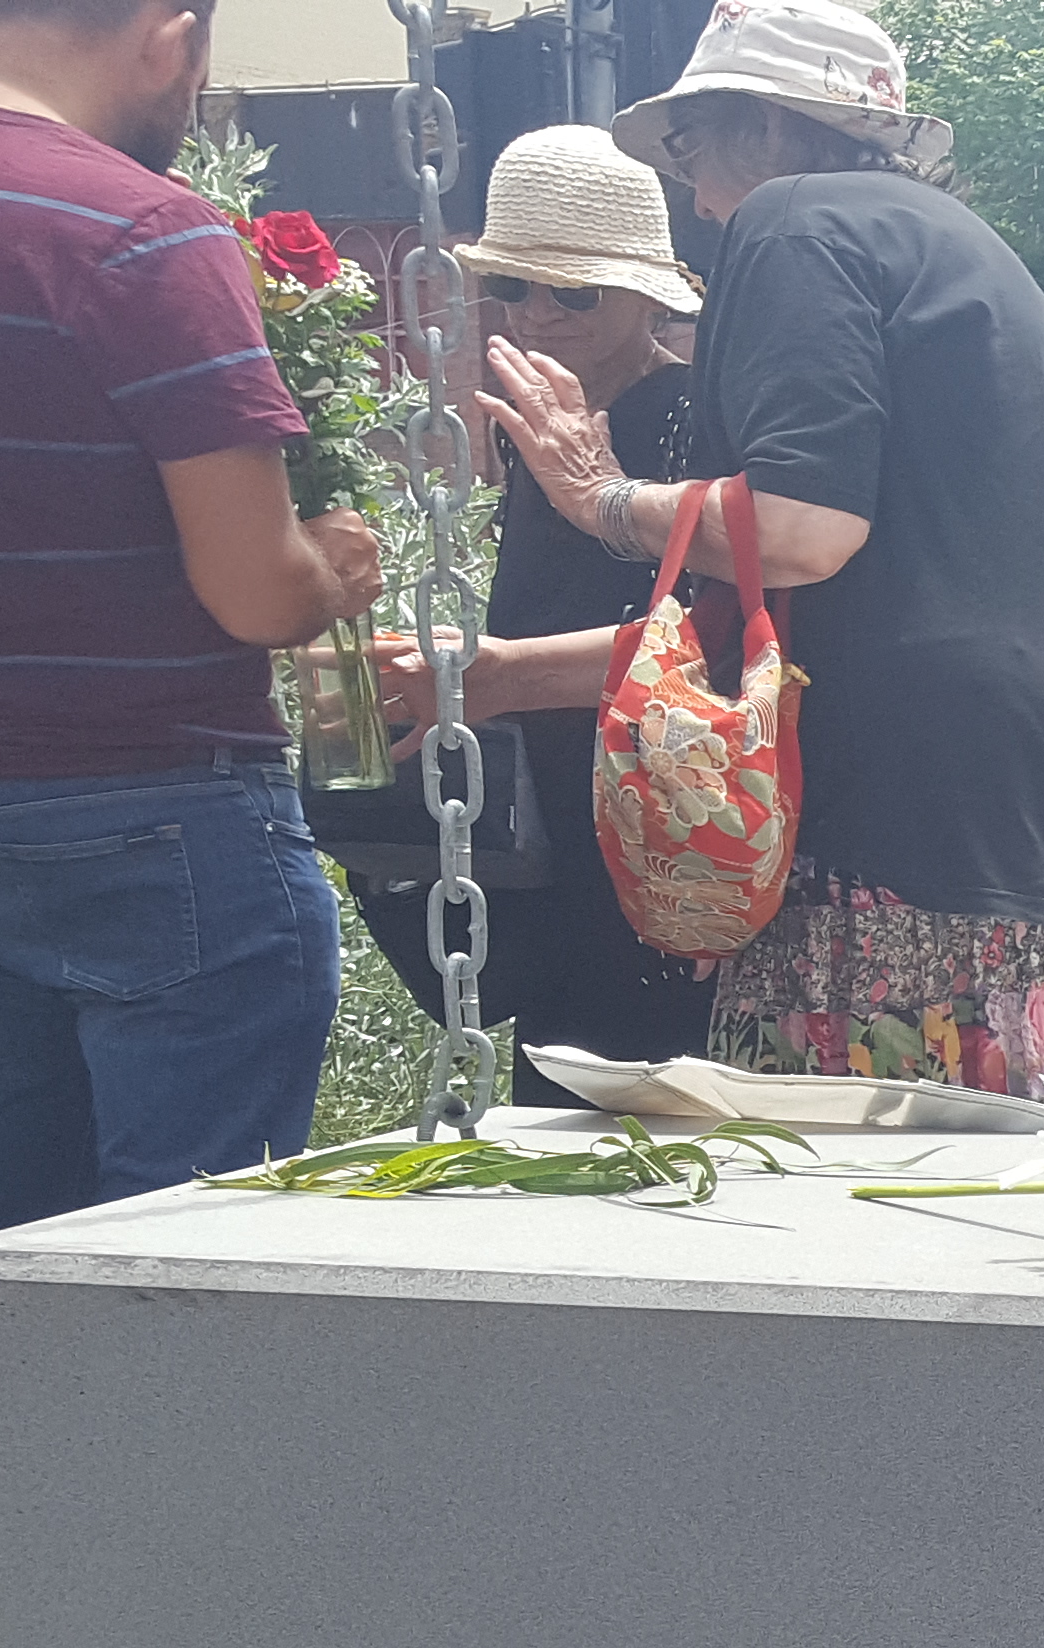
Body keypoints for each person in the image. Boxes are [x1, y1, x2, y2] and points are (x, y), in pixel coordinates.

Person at [499, 0, 1044, 1097]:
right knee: (1030, 1201)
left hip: (902, 811)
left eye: (692, 149)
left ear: (760, 128)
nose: (698, 199)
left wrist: (600, 496)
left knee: (856, 1211)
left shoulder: (795, 219)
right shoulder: (959, 246)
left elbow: (803, 532)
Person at [0, 0, 380, 1243]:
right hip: (163, 804)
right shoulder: (139, 229)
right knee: (189, 1260)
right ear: (172, 37)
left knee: (3, 1231)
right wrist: (329, 566)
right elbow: (256, 592)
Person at [353, 125, 713, 1103]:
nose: (536, 314)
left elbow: (713, 647)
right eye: (510, 287)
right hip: (555, 821)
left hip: (674, 830)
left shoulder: (697, 416)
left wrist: (500, 671)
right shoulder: (524, 424)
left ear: (645, 294)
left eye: (574, 292)